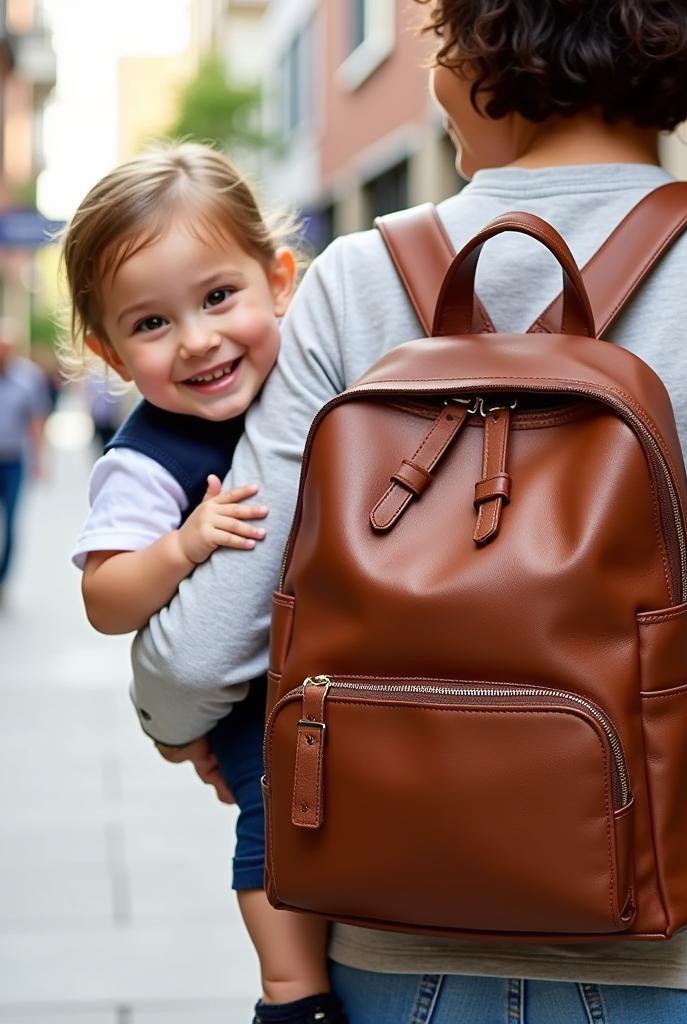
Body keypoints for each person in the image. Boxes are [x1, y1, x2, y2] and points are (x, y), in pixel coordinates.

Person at [130, 2, 687, 1022]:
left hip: (394, 945)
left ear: (487, 47)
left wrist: (181, 712)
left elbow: (198, 661)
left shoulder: (352, 282)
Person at [61, 143, 345, 1024]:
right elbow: (105, 599)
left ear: (280, 279)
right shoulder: (146, 460)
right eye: (151, 324)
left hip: (345, 671)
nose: (198, 340)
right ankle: (294, 995)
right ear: (111, 353)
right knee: (273, 831)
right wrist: (181, 549)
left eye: (219, 297)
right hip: (254, 708)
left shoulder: (318, 369)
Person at [0, 320, 49, 606]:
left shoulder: (28, 378)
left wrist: (40, 459)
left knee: (11, 523)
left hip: (13, 462)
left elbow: (36, 421)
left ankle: (3, 579)